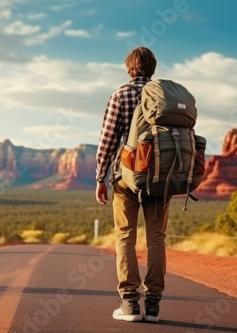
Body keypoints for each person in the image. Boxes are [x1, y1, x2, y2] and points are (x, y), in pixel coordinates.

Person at [95, 47, 171, 323]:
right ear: (152, 68)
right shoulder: (165, 97)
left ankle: (129, 304)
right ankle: (152, 306)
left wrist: (101, 178)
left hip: (126, 174)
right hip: (161, 176)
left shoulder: (121, 94)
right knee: (157, 237)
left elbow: (107, 142)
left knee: (126, 235)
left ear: (129, 68)